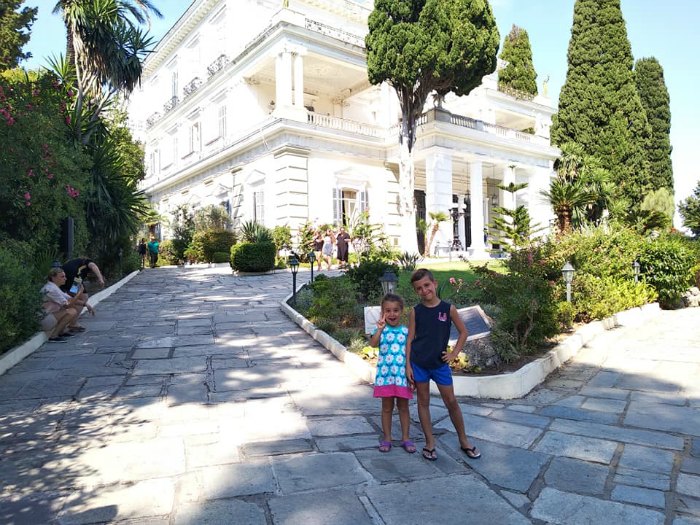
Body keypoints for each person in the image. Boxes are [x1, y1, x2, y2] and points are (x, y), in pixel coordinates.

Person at [406, 268, 481, 461]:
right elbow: (410, 339)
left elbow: (463, 332)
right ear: (416, 291)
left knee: (451, 401)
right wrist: (408, 366)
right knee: (423, 401)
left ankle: (464, 440)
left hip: (440, 365)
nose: (424, 290)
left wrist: (454, 353)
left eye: (427, 285)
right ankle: (430, 442)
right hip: (419, 363)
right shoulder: (415, 312)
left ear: (435, 284)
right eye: (419, 288)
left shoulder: (448, 309)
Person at [369, 293, 415, 453]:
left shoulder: (406, 331)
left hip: (402, 377)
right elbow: (373, 344)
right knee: (387, 408)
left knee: (403, 407)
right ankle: (387, 438)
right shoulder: (381, 330)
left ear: (401, 311)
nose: (392, 314)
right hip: (385, 376)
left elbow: (411, 353)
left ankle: (406, 438)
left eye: (395, 310)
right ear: (382, 313)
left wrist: (411, 374)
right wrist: (379, 329)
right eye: (387, 311)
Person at [41, 267, 82, 342]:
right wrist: (79, 293)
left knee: (70, 308)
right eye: (62, 277)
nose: (65, 279)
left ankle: (61, 331)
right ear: (53, 278)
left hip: (49, 316)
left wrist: (86, 304)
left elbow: (69, 298)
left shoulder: (54, 287)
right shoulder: (50, 289)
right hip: (44, 319)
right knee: (71, 311)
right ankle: (54, 336)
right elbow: (67, 304)